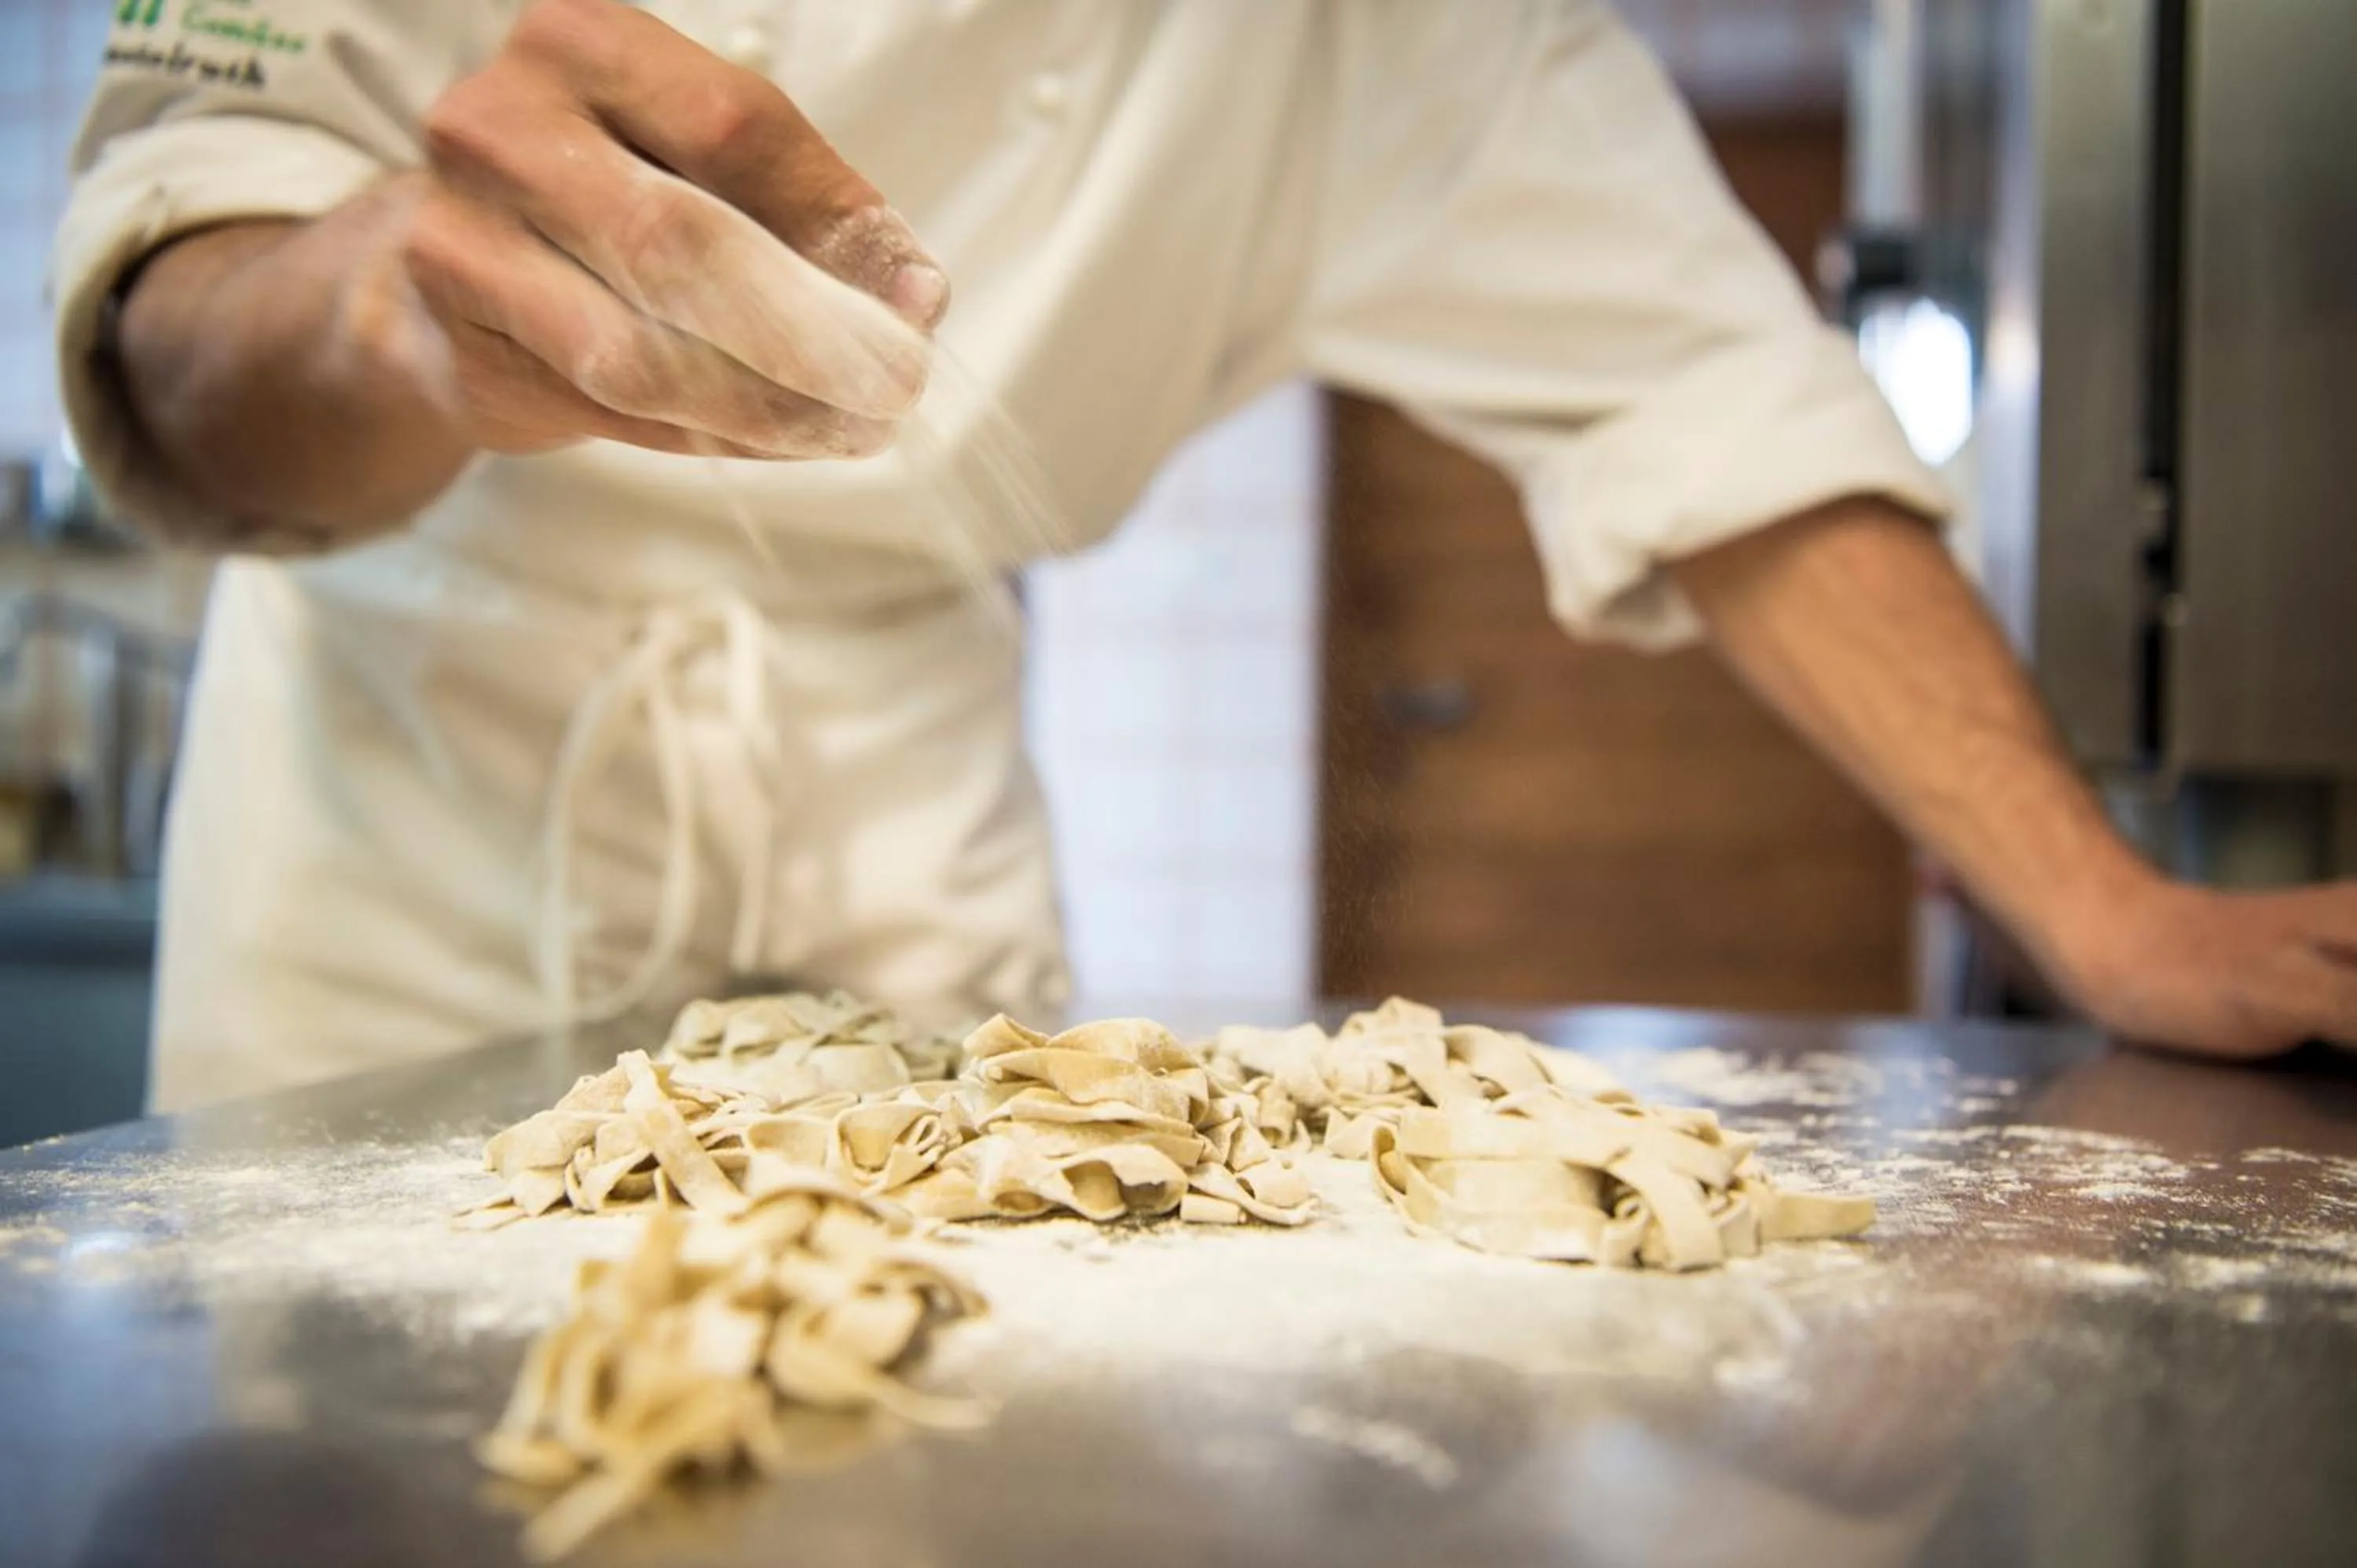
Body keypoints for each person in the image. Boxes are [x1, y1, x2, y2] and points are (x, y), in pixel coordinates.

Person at [55, 0, 2357, 1112]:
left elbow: (1716, 403)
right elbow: (168, 344)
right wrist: (388, 304)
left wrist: (2100, 901)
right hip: (400, 793)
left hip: (904, 799)